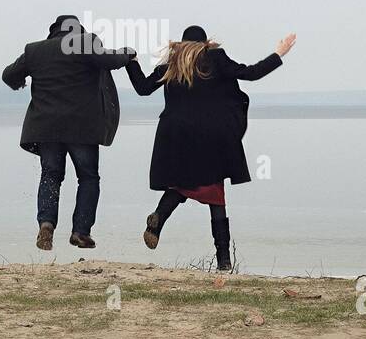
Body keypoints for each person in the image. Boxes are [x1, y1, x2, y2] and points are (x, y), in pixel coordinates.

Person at [126, 26, 295, 271]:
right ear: (206, 42)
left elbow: (142, 88)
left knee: (183, 185)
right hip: (210, 136)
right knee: (215, 194)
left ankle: (159, 218)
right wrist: (278, 53)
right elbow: (251, 73)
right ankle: (224, 261)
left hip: (175, 135)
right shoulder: (215, 58)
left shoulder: (171, 64)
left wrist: (131, 62)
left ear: (182, 43)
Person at [2, 15, 135, 251]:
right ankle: (81, 232)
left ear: (53, 31)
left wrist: (20, 82)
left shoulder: (35, 51)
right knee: (88, 177)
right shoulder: (85, 43)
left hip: (45, 128)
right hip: (82, 128)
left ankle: (46, 224)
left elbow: (9, 75)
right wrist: (128, 53)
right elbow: (111, 60)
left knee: (50, 175)